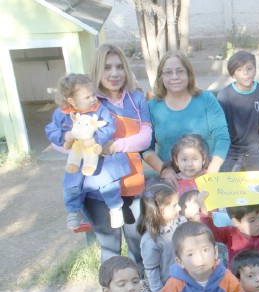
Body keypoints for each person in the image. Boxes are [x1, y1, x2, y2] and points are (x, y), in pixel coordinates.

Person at [87, 43, 152, 276]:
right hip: (98, 189)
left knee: (138, 243)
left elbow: (145, 138)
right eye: (107, 68)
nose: (114, 73)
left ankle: (143, 290)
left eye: (119, 67)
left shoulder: (136, 99)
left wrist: (115, 145)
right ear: (96, 70)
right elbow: (68, 139)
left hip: (132, 185)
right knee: (110, 247)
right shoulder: (88, 102)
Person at [45, 73, 128, 230]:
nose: (93, 99)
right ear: (71, 101)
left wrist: (97, 139)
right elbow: (51, 130)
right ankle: (73, 211)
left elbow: (109, 126)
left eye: (93, 95)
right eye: (87, 97)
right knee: (71, 183)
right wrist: (64, 136)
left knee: (107, 182)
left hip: (98, 157)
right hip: (76, 157)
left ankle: (115, 208)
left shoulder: (99, 110)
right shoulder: (62, 114)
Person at [144, 50, 230, 186]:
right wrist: (163, 170)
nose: (174, 77)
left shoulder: (206, 100)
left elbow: (223, 138)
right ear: (161, 77)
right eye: (168, 72)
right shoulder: (152, 107)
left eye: (180, 71)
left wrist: (212, 170)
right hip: (172, 182)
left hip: (208, 176)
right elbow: (145, 148)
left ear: (188, 74)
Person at [197, 185, 259, 290]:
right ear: (236, 222)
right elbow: (211, 232)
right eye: (252, 220)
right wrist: (204, 213)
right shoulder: (230, 234)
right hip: (239, 287)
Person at [217, 50, 259, 172]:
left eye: (249, 68)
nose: (245, 73)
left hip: (254, 149)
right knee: (227, 185)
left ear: (255, 70)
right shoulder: (225, 95)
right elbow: (220, 129)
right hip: (231, 150)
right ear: (233, 74)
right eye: (239, 70)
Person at [137, 180, 186, 292]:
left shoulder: (181, 222)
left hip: (186, 285)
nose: (179, 208)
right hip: (168, 291)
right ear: (158, 210)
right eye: (174, 205)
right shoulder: (150, 241)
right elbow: (152, 273)